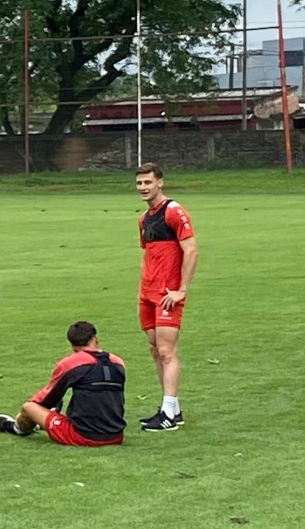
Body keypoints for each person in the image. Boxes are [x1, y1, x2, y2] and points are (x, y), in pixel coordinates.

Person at [134, 162, 198, 432]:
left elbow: (191, 250)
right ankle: (171, 408)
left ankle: (169, 414)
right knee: (154, 350)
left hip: (167, 294)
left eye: (148, 182)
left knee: (166, 351)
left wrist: (181, 289)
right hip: (147, 294)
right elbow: (147, 254)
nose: (143, 188)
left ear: (160, 182)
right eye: (139, 183)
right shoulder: (143, 219)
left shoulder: (173, 211)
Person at [0, 321, 126, 447]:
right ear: (96, 339)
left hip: (83, 436)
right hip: (116, 436)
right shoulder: (118, 362)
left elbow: (46, 399)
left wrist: (32, 414)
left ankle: (18, 428)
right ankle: (46, 417)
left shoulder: (72, 362)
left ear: (72, 345)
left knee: (29, 407)